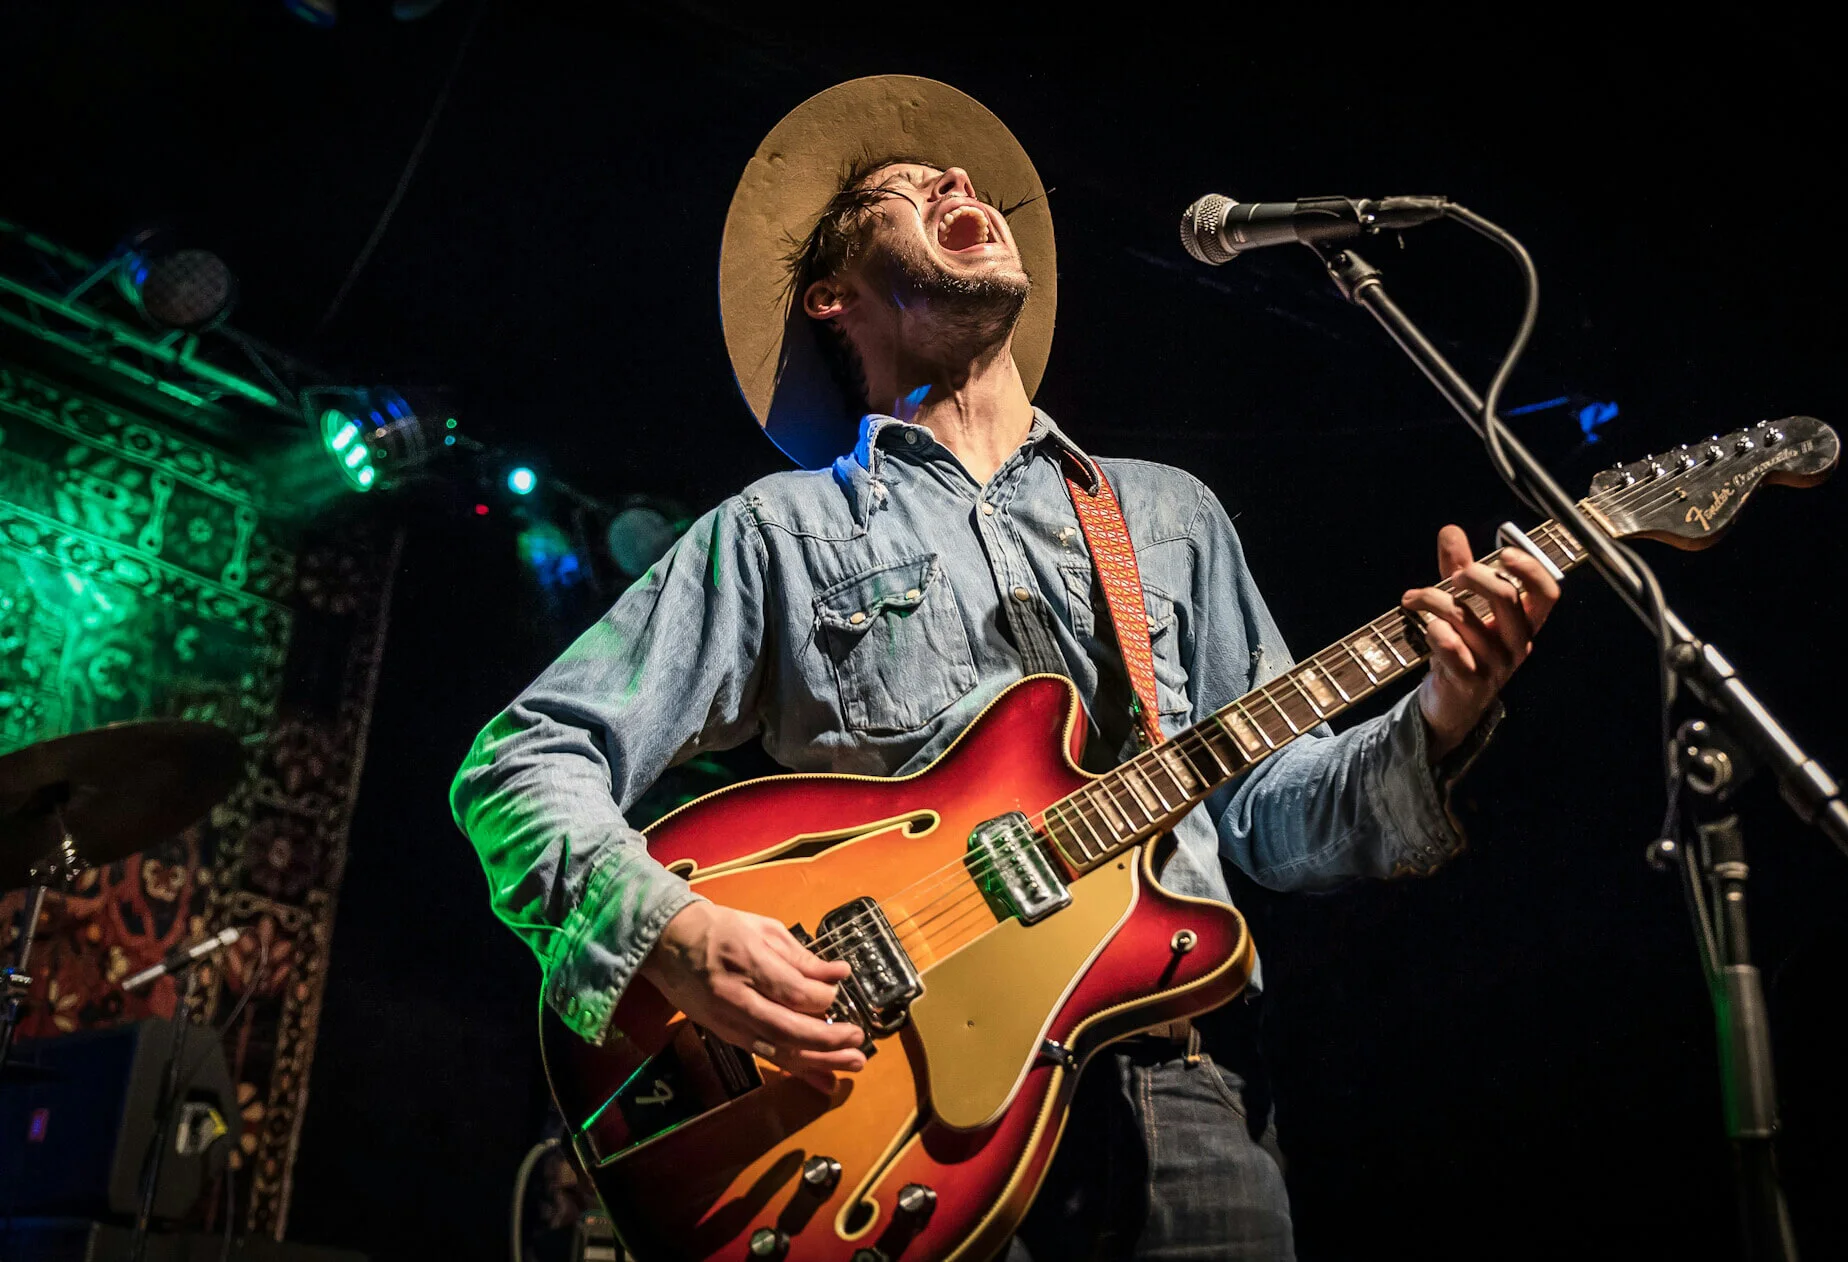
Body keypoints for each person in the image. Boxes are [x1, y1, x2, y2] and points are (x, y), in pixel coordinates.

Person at [450, 76, 1560, 1262]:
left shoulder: (1167, 517)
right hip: (892, 1134)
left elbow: (1272, 820)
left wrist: (1440, 711)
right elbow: (521, 762)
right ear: (831, 293)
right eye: (902, 188)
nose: (954, 181)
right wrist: (677, 933)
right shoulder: (780, 531)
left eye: (964, 181)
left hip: (1184, 1103)